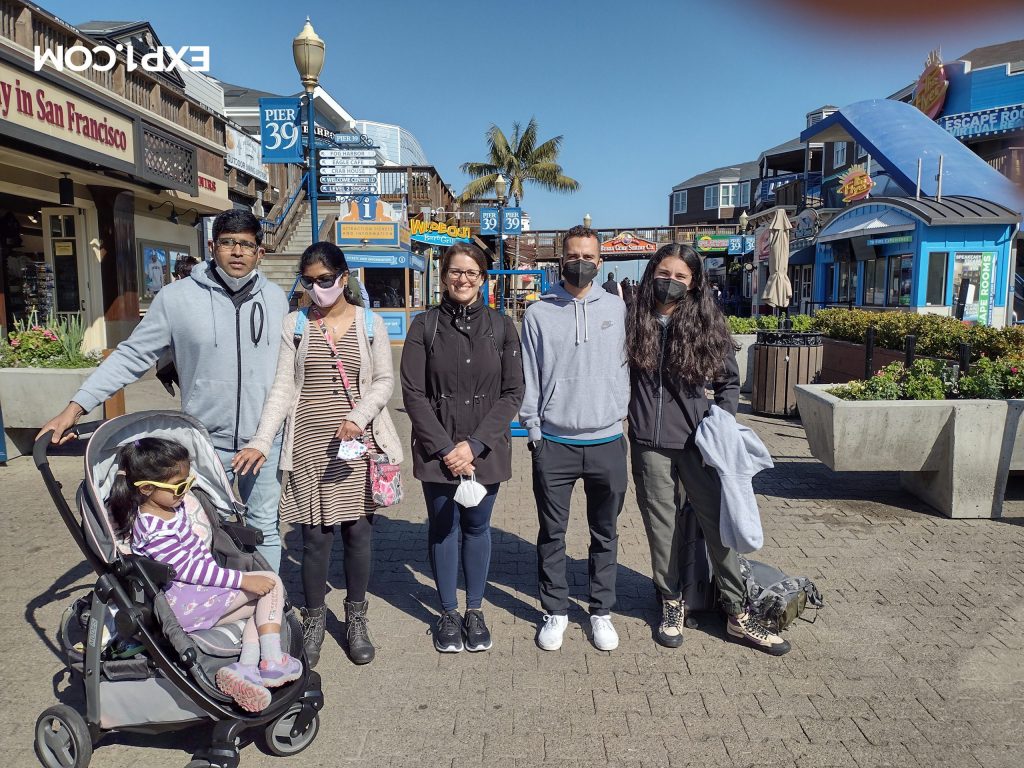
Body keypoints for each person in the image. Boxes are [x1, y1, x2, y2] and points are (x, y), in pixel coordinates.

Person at [38, 210, 289, 571]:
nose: (237, 252)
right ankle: (213, 600)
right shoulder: (176, 299)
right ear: (211, 247)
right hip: (203, 442)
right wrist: (75, 408)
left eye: (247, 245)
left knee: (264, 527)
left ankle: (270, 602)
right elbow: (132, 355)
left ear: (259, 252)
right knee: (205, 529)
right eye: (228, 243)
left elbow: (289, 373)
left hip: (264, 441)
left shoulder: (276, 299)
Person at [234, 242, 401, 668]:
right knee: (314, 540)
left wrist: (358, 417)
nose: (317, 288)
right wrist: (262, 440)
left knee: (358, 535)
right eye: (308, 281)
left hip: (357, 446)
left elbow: (384, 381)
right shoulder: (295, 324)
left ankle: (356, 618)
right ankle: (314, 620)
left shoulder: (370, 323)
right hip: (309, 444)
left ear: (344, 277)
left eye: (325, 279)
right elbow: (283, 387)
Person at [625, 244, 790, 655]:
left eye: (681, 276)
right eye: (665, 273)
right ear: (651, 272)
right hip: (648, 444)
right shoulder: (633, 318)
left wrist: (721, 421)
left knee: (719, 527)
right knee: (661, 529)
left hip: (700, 444)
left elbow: (729, 383)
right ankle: (671, 601)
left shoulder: (706, 322)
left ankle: (737, 611)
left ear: (694, 281)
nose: (671, 282)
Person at [108, 437, 301, 713]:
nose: (186, 492)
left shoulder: (171, 509)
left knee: (261, 607)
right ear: (147, 488)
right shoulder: (153, 529)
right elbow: (190, 570)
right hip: (187, 603)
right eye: (179, 486)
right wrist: (242, 580)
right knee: (272, 584)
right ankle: (272, 660)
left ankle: (245, 668)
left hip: (196, 599)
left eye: (189, 483)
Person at [400, 243, 525, 653]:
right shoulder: (424, 326)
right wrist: (444, 448)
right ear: (443, 276)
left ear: (483, 278)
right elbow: (413, 393)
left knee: (477, 527)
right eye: (455, 271)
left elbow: (513, 392)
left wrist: (474, 445)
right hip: (437, 451)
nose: (463, 279)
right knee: (443, 528)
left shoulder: (502, 327)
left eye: (472, 272)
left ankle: (475, 609)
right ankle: (448, 612)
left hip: (485, 449)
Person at [520, 224, 629, 652]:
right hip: (555, 442)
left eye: (588, 256)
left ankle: (601, 611)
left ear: (600, 262)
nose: (580, 263)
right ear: (560, 259)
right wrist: (534, 431)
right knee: (552, 533)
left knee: (605, 532)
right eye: (573, 256)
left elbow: (629, 366)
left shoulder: (618, 309)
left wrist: (622, 413)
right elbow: (529, 375)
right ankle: (556, 610)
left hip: (607, 440)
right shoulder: (538, 313)